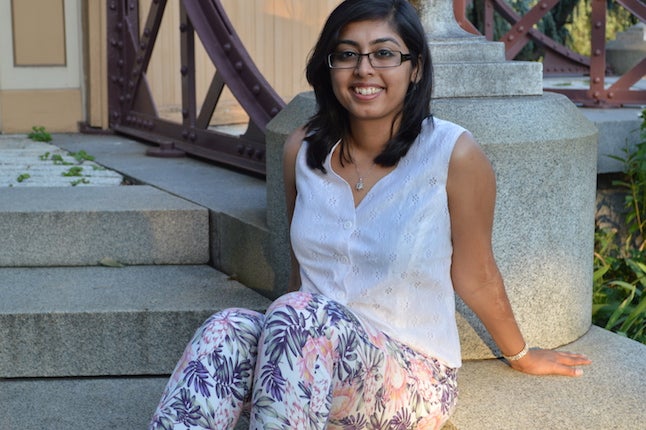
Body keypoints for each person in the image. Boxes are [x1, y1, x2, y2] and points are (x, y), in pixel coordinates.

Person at [149, 0, 592, 428]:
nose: (364, 69)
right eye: (347, 55)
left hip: (410, 375)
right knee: (227, 327)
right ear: (330, 67)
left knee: (300, 315)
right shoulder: (302, 151)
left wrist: (521, 354)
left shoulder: (452, 153)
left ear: (414, 67)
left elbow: (477, 273)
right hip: (313, 348)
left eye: (384, 53)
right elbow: (300, 278)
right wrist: (279, 350)